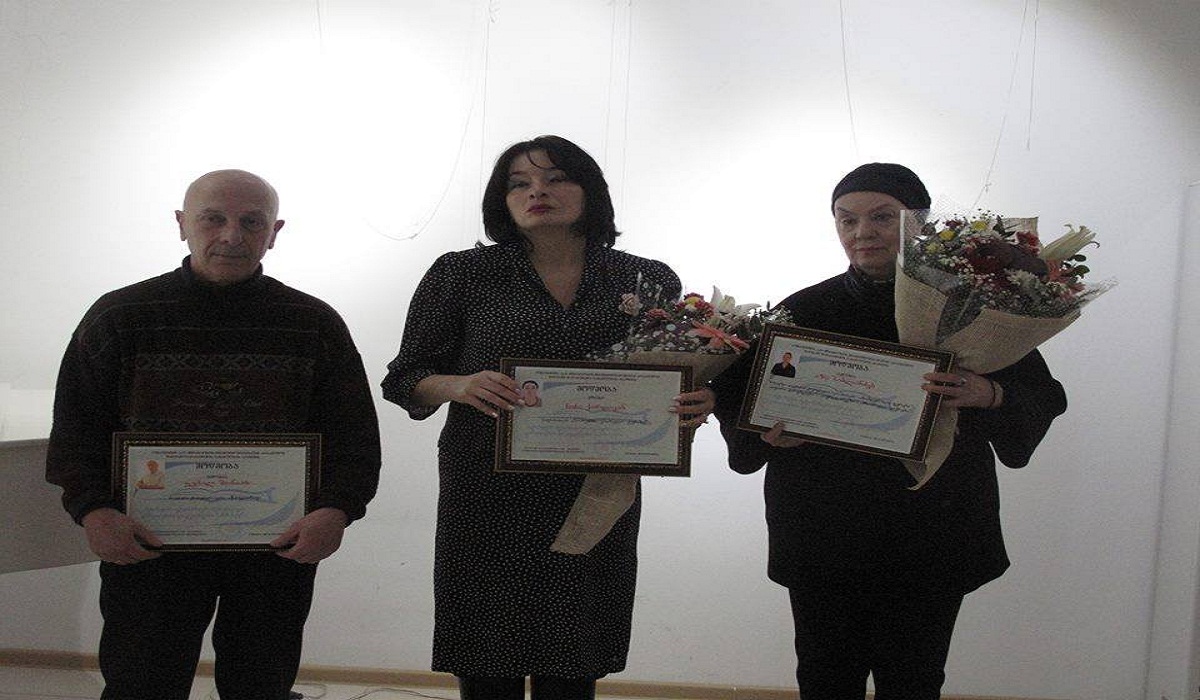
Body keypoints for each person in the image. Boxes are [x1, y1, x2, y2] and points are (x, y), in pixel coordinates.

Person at [709, 163, 1067, 700]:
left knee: (915, 679)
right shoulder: (801, 310)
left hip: (933, 527)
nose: (863, 232)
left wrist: (987, 393)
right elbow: (739, 401)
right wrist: (767, 434)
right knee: (825, 677)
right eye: (847, 219)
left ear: (919, 223)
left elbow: (1043, 396)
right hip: (823, 529)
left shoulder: (976, 311)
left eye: (882, 217)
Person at [381, 135, 712, 700]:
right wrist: (460, 384)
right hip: (487, 489)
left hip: (595, 488)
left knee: (574, 655)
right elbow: (405, 377)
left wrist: (698, 401)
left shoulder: (646, 278)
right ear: (501, 199)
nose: (537, 191)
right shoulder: (461, 273)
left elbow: (671, 374)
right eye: (519, 183)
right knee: (487, 652)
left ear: (589, 190)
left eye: (556, 177)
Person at [45, 169, 381, 700]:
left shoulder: (314, 323)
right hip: (146, 542)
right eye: (213, 219)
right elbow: (75, 430)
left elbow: (354, 436)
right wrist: (93, 511)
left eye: (251, 222)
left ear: (274, 232)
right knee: (141, 684)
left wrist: (336, 510)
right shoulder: (119, 317)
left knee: (261, 685)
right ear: (182, 224)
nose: (231, 235)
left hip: (277, 547)